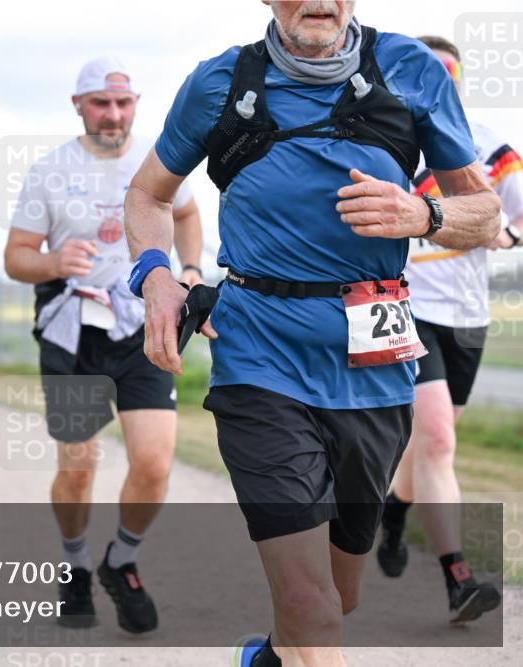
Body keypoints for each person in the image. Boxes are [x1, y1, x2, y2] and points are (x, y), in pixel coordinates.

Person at [124, 2, 501, 665]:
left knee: (336, 599)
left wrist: (423, 210)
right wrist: (156, 274)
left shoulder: (410, 70)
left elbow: (485, 211)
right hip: (258, 359)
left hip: (374, 367)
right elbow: (149, 195)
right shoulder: (222, 82)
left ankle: (265, 658)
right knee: (310, 605)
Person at [4, 57, 202, 633]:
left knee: (154, 461)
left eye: (122, 103)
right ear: (78, 105)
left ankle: (122, 560)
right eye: (100, 103)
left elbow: (187, 215)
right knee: (79, 466)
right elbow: (16, 257)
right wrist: (51, 261)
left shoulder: (158, 160)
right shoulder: (49, 170)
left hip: (142, 326)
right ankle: (75, 566)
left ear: (135, 104)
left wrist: (190, 268)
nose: (112, 115)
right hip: (74, 334)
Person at [376, 34, 519, 624]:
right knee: (436, 439)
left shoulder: (488, 148)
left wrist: (506, 235)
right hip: (406, 308)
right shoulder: (388, 144)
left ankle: (392, 510)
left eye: (449, 77)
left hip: (469, 320)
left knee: (431, 443)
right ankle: (459, 578)